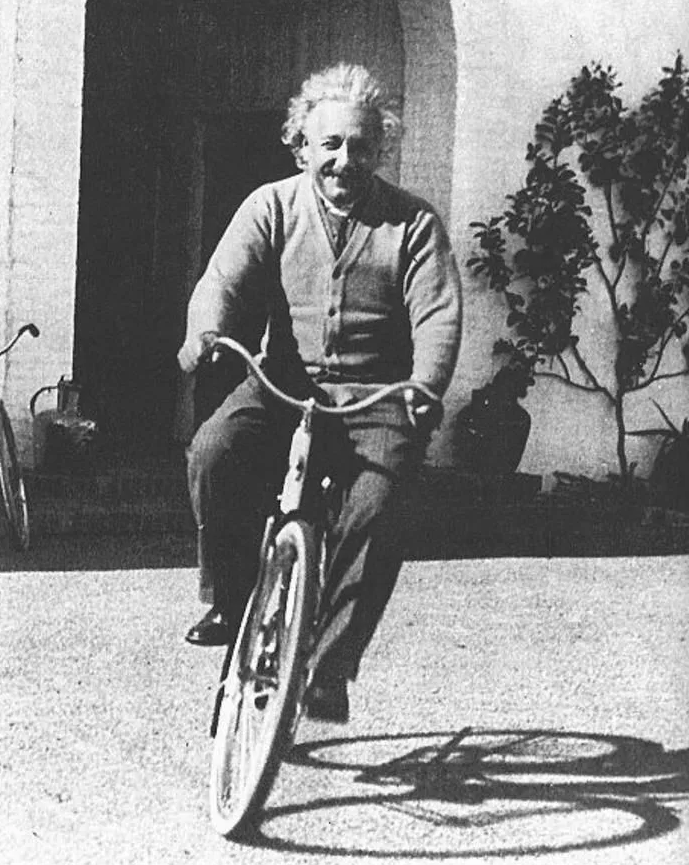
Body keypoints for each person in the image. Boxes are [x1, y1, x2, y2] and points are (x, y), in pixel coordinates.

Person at [177, 63, 462, 723]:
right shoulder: (272, 206)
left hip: (376, 398)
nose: (343, 160)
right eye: (330, 144)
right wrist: (205, 332)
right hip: (283, 383)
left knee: (381, 503)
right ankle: (231, 600)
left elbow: (438, 314)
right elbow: (222, 280)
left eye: (359, 146)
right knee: (214, 452)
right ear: (301, 146)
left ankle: (331, 666)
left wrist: (426, 382)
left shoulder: (413, 223)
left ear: (379, 150)